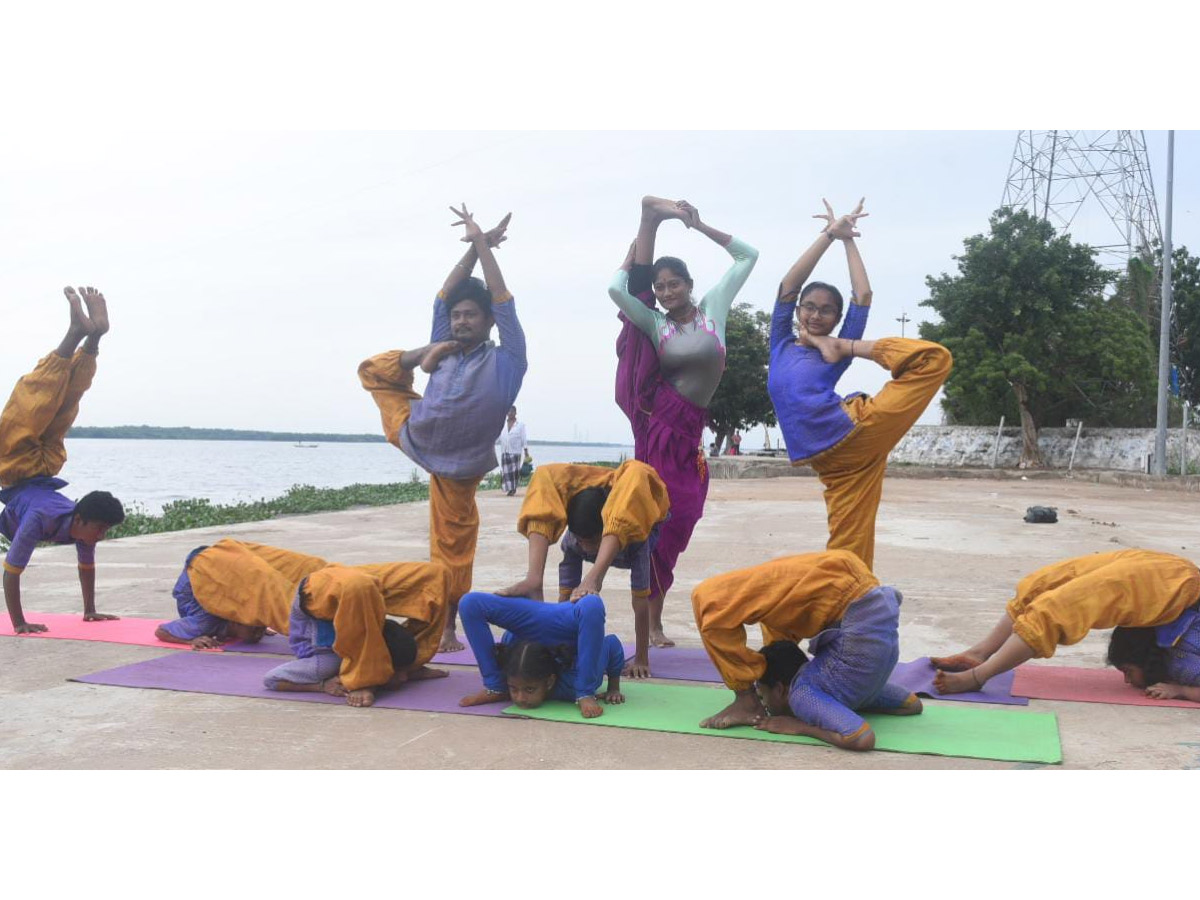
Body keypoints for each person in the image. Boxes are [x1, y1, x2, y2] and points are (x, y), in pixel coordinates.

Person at [359, 206, 526, 652]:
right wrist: (430, 353)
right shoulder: (446, 342)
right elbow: (442, 297)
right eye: (457, 316)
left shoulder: (507, 361)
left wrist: (482, 246)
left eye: (471, 314)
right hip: (414, 432)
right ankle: (418, 359)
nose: (461, 320)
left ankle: (448, 624)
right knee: (373, 370)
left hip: (458, 468)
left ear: (488, 321)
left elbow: (503, 299)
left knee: (452, 548)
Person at [768, 199, 952, 572]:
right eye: (810, 307)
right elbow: (788, 285)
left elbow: (862, 296)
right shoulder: (781, 343)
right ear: (799, 309)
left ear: (838, 318)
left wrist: (843, 345)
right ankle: (846, 617)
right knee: (847, 553)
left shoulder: (835, 350)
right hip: (836, 468)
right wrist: (830, 236)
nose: (816, 314)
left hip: (854, 428)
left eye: (826, 310)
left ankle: (857, 346)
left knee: (934, 359)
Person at [609, 195, 758, 650]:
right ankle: (651, 622)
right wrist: (632, 256)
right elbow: (618, 291)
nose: (668, 292)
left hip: (690, 438)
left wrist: (700, 226)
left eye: (675, 284)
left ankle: (654, 611)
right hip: (660, 435)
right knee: (657, 522)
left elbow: (747, 255)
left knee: (683, 520)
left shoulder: (715, 309)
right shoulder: (656, 324)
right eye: (660, 287)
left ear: (690, 285)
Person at [692, 549, 919, 751]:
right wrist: (839, 709)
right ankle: (745, 696)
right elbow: (913, 704)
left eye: (761, 696)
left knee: (707, 599)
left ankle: (745, 699)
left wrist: (799, 726)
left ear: (781, 689)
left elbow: (861, 738)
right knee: (768, 614)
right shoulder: (850, 687)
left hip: (855, 606)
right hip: (871, 602)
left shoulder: (803, 694)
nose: (766, 708)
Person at [1, 287, 126, 634]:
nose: (100, 536)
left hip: (42, 468)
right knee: (36, 402)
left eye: (104, 531)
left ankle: (92, 340)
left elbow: (86, 569)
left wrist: (91, 611)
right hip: (20, 468)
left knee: (59, 404)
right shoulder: (39, 520)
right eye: (100, 529)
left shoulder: (81, 529)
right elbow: (11, 573)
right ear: (82, 518)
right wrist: (19, 623)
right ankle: (80, 336)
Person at [155, 539, 449, 674]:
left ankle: (395, 658)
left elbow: (164, 631)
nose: (258, 633)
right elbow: (164, 632)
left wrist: (190, 636)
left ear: (232, 615)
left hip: (207, 564)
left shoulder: (206, 616)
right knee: (433, 577)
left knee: (305, 579)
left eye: (254, 630)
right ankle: (377, 660)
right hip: (223, 555)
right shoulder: (213, 620)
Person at [931, 549, 1200, 695]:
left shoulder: (1177, 665)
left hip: (1176, 580)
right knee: (1046, 589)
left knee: (1054, 600)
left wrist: (1180, 691)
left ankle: (980, 674)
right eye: (1127, 672)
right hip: (1177, 584)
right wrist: (1182, 690)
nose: (1128, 681)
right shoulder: (1185, 665)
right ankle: (979, 655)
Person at [497, 460, 670, 677]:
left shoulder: (637, 543)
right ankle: (533, 580)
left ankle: (595, 576)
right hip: (598, 482)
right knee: (544, 474)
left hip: (643, 507)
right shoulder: (572, 542)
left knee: (636, 471)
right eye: (582, 541)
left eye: (592, 542)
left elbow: (640, 603)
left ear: (603, 533)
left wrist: (642, 658)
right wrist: (558, 646)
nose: (586, 547)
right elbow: (565, 598)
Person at [263, 563, 450, 707]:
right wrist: (322, 686)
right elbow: (272, 679)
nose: (402, 679)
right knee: (356, 587)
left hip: (341, 583)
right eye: (398, 671)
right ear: (378, 661)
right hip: (321, 594)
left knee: (436, 575)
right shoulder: (328, 663)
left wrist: (406, 668)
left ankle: (402, 667)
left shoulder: (368, 611)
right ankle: (364, 678)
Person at [457, 591, 625, 718]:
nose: (520, 698)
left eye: (529, 689)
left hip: (564, 624)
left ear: (550, 681)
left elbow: (612, 644)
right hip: (527, 627)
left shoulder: (576, 681)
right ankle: (495, 687)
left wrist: (613, 687)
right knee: (468, 603)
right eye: (513, 689)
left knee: (592, 603)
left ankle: (585, 694)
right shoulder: (511, 668)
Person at [498, 405, 528, 496]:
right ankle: (508, 488)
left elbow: (524, 438)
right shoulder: (502, 423)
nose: (510, 413)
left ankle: (513, 489)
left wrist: (526, 451)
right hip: (505, 450)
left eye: (512, 411)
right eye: (509, 411)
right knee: (506, 471)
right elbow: (499, 436)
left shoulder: (520, 425)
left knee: (514, 471)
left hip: (515, 451)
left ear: (515, 413)